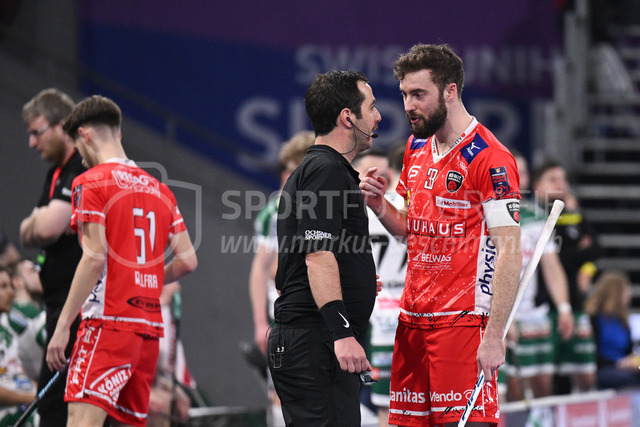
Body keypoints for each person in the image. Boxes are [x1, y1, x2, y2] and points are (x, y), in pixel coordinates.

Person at [359, 43, 522, 426]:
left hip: (462, 324)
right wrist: (379, 206)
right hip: (412, 322)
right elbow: (411, 232)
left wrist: (494, 335)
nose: (408, 106)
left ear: (450, 90)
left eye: (419, 94)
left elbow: (510, 251)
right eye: (404, 95)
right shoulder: (416, 146)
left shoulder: (491, 158)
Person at [45, 95, 198, 427]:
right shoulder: (161, 191)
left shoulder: (90, 181)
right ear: (119, 133)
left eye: (78, 148)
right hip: (147, 332)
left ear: (84, 135)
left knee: (82, 420)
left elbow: (93, 258)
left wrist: (62, 325)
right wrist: (145, 277)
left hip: (107, 325)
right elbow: (188, 261)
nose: (80, 158)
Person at [268, 70, 381, 426]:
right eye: (371, 107)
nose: (378, 117)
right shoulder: (325, 169)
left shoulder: (326, 170)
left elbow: (307, 260)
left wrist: (357, 280)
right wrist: (342, 332)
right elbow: (316, 255)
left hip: (315, 342)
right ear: (348, 117)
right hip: (316, 343)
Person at [20, 88, 85, 426]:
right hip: (56, 306)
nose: (32, 143)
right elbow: (27, 231)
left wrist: (38, 222)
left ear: (61, 126)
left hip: (77, 310)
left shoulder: (80, 167)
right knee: (53, 406)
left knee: (58, 407)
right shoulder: (54, 174)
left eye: (37, 132)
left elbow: (45, 229)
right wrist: (37, 223)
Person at [247, 130, 314, 426]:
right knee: (282, 394)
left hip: (321, 314)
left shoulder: (329, 204)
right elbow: (262, 269)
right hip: (286, 317)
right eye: (283, 171)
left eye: (291, 171)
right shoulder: (275, 210)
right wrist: (260, 322)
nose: (283, 179)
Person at [502, 153, 574, 402]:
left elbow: (552, 268)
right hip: (499, 316)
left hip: (533, 315)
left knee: (542, 389)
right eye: (512, 171)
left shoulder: (536, 216)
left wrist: (564, 308)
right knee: (508, 393)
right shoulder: (483, 214)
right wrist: (500, 316)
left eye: (522, 172)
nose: (518, 178)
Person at [532, 159, 599, 394]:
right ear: (537, 186)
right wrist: (578, 252)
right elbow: (562, 257)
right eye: (553, 180)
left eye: (563, 179)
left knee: (585, 375)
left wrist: (587, 269)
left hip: (574, 302)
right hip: (541, 307)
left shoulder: (574, 214)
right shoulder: (534, 217)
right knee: (543, 381)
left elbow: (596, 250)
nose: (561, 184)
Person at [353, 146, 407, 427]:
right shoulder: (424, 206)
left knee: (389, 409)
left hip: (386, 315)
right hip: (396, 315)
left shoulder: (364, 207)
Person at [585, 270, 640, 390]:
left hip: (624, 368)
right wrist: (618, 363)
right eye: (626, 291)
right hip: (603, 368)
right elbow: (589, 354)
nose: (629, 295)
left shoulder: (623, 321)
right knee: (627, 378)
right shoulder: (593, 319)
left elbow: (628, 352)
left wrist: (633, 360)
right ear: (615, 293)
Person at [0, 266, 39, 427]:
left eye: (10, 285)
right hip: (9, 413)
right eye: (3, 287)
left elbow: (18, 373)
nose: (11, 292)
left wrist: (43, 392)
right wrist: (34, 398)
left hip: (26, 402)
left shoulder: (6, 327)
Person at [7, 258, 46, 382]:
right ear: (18, 282)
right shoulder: (19, 314)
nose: (39, 273)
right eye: (32, 270)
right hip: (35, 384)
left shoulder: (41, 308)